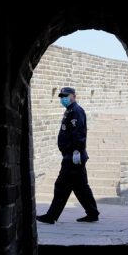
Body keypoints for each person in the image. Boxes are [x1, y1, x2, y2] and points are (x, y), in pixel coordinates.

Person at [37, 87, 100, 224]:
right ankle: (92, 213)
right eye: (61, 96)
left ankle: (51, 216)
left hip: (73, 157)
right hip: (71, 156)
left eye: (66, 95)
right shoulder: (70, 111)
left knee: (61, 185)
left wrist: (77, 151)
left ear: (73, 96)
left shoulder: (76, 111)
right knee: (81, 187)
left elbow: (79, 132)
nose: (63, 98)